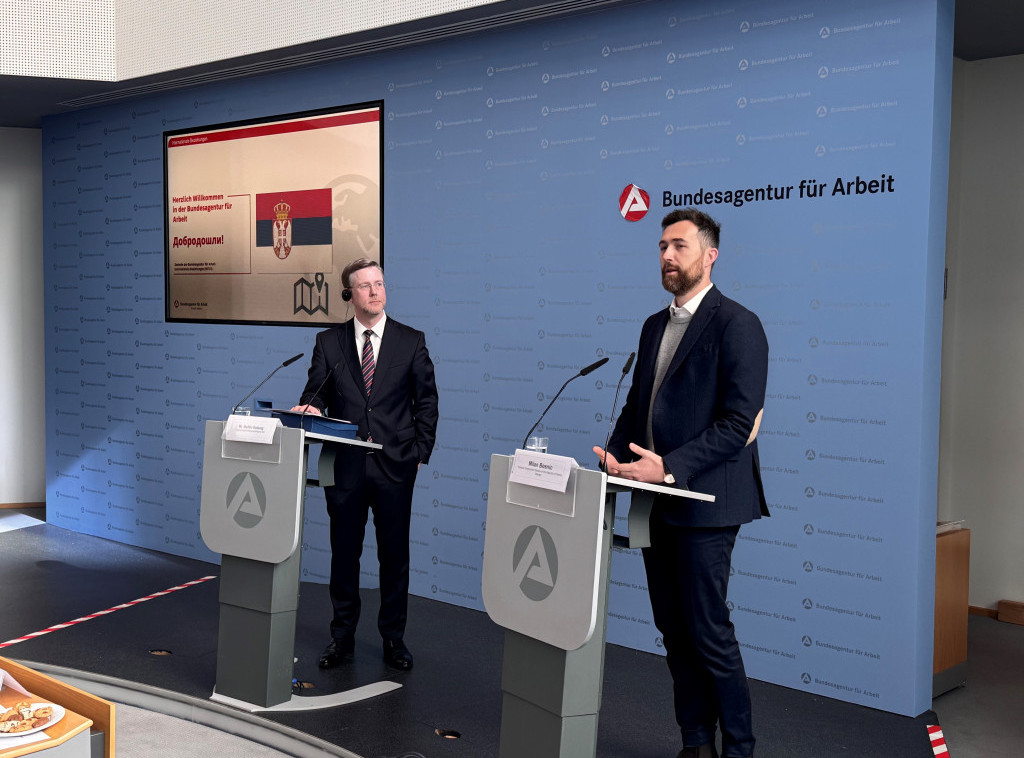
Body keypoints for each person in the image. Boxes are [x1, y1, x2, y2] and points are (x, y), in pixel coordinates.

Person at [593, 208, 768, 758]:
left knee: (708, 632)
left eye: (679, 246)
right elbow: (637, 407)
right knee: (672, 629)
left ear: (710, 255)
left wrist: (667, 466)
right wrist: (616, 457)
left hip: (707, 503)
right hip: (654, 502)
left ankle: (738, 750)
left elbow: (738, 424)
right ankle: (696, 744)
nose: (667, 256)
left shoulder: (738, 324)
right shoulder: (653, 326)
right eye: (662, 247)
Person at [291, 258, 438, 671]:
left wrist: (419, 453)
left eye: (379, 283)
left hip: (395, 465)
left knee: (394, 557)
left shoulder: (410, 341)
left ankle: (394, 639)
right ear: (349, 294)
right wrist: (311, 406)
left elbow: (427, 401)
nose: (375, 291)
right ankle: (342, 638)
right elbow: (317, 391)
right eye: (365, 286)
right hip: (346, 466)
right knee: (344, 555)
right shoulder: (329, 343)